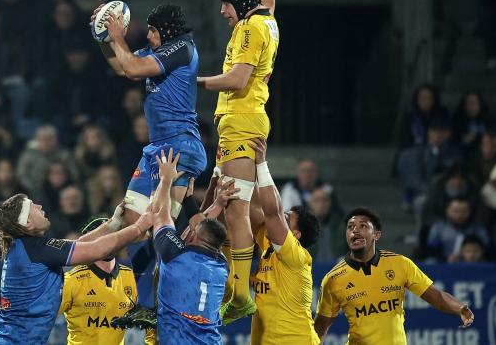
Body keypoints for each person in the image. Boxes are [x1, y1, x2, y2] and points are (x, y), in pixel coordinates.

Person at [196, 0, 278, 322]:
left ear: (239, 4)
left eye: (226, 5)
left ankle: (241, 294)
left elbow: (237, 79)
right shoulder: (266, 22)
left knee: (235, 209)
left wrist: (192, 81)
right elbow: (269, 1)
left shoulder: (248, 29)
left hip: (241, 122)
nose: (224, 13)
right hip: (246, 122)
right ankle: (244, 281)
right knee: (240, 207)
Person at [92, 1, 206, 231]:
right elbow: (121, 67)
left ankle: (180, 266)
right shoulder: (159, 50)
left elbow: (134, 68)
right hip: (157, 147)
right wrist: (103, 36)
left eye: (153, 30)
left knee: (159, 225)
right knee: (132, 222)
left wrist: (117, 37)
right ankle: (145, 269)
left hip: (179, 145)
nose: (149, 35)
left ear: (167, 31)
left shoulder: (182, 48)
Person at [0, 193, 152, 344]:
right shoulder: (35, 249)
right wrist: (139, 226)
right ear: (28, 224)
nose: (39, 206)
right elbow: (97, 250)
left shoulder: (27, 248)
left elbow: (78, 245)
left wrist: (113, 224)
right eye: (32, 206)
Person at [314, 208, 475, 344]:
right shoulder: (334, 278)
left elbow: (437, 297)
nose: (355, 230)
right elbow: (321, 327)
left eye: (363, 226)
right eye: (350, 227)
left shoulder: (400, 264)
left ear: (376, 235)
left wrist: (459, 307)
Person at [246, 138, 321, 343]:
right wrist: (243, 162)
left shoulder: (296, 256)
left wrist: (261, 164)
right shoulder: (268, 245)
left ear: (296, 235)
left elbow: (271, 212)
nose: (280, 218)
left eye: (287, 218)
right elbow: (253, 208)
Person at [151, 148, 229, 344]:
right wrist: (190, 200)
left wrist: (166, 179)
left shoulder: (175, 253)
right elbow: (202, 228)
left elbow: (160, 214)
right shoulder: (221, 265)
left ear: (193, 235)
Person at [59, 217, 138, 345]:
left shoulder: (132, 278)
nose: (108, 243)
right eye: (103, 238)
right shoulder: (72, 280)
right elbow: (42, 318)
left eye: (112, 237)